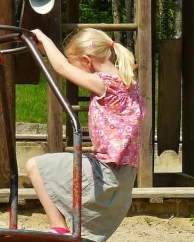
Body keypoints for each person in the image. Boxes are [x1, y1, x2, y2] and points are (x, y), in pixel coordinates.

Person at [27, 28, 144, 242]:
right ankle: (64, 228)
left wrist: (45, 37)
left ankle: (58, 227)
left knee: (35, 166)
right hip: (124, 176)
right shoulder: (128, 85)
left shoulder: (105, 84)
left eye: (77, 66)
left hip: (106, 173)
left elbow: (60, 67)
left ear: (86, 60)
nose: (76, 74)